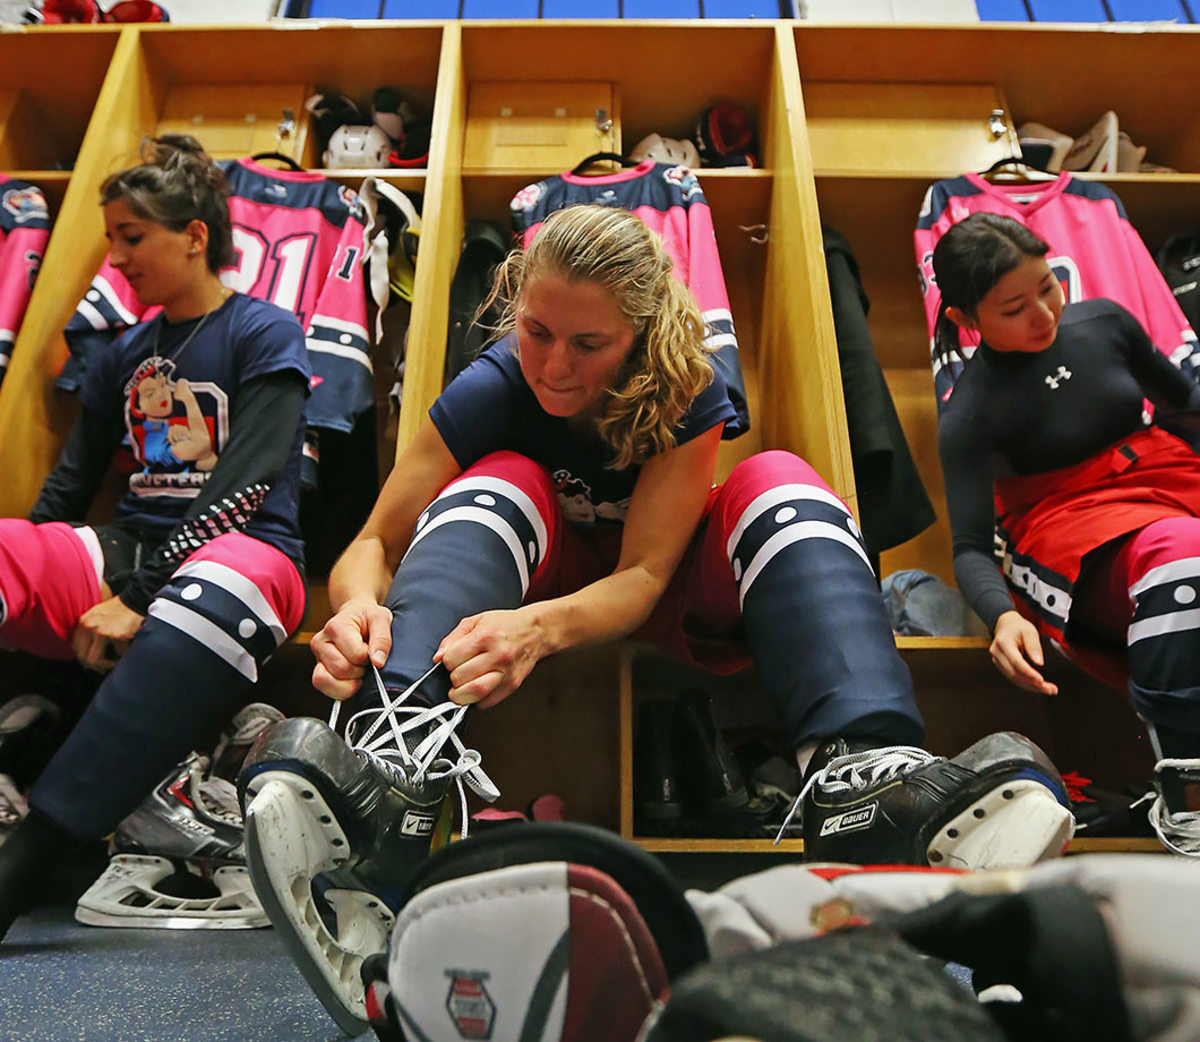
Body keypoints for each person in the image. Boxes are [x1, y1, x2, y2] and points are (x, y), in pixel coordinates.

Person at [239, 203, 1072, 1034]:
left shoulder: (687, 382)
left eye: (588, 344)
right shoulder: (496, 381)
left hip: (667, 585)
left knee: (780, 480)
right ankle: (396, 773)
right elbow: (374, 542)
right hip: (532, 570)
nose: (553, 366)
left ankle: (868, 780)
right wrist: (351, 610)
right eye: (536, 331)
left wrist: (537, 630)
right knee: (497, 478)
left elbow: (641, 575)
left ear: (637, 335)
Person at [0, 134, 310, 941]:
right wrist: (33, 565)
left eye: (131, 237)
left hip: (253, 553)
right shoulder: (125, 354)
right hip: (132, 547)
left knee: (209, 590)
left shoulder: (263, 329)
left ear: (194, 235)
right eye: (110, 238)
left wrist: (139, 599)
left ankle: (21, 866)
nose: (116, 257)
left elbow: (247, 483)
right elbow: (66, 492)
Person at [932, 211, 1200, 859]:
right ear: (969, 321)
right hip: (1063, 520)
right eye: (1014, 307)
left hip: (1160, 470)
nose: (1045, 313)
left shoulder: (1105, 322)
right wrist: (999, 617)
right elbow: (969, 545)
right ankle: (1189, 794)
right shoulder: (968, 413)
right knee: (1181, 565)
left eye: (1049, 286)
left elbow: (1184, 403)